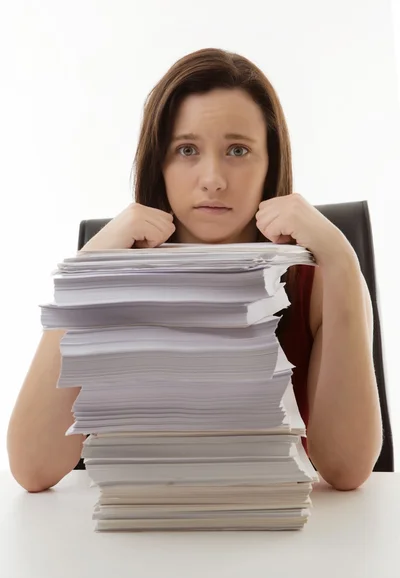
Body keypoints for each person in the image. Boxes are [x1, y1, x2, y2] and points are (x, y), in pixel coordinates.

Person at [7, 48, 382, 493]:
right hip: (137, 536)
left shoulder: (318, 281)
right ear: (158, 164)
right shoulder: (113, 278)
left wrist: (342, 260)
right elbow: (32, 469)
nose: (212, 179)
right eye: (186, 150)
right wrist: (88, 271)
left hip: (276, 536)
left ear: (270, 165)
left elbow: (346, 470)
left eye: (238, 150)